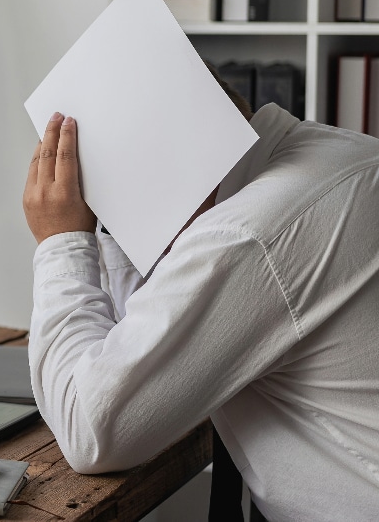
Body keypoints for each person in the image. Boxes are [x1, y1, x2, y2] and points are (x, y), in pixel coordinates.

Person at [21, 75, 379, 520]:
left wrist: (63, 242)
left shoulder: (245, 234)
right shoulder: (340, 155)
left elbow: (90, 430)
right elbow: (139, 340)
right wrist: (109, 232)